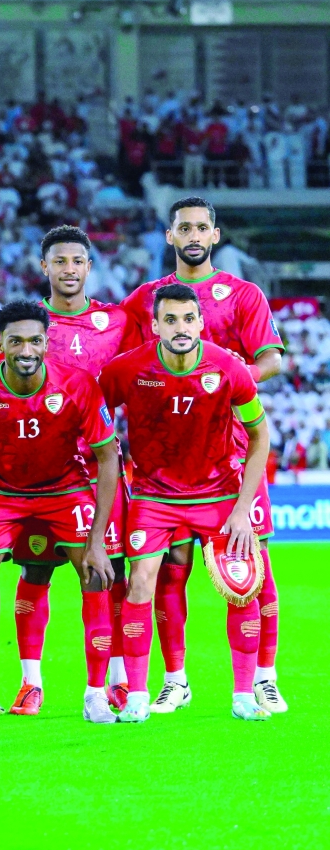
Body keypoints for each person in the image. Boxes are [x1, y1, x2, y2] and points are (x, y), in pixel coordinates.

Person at [121, 197, 287, 714]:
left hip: (233, 454)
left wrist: (224, 384)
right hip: (167, 461)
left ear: (215, 235)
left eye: (202, 227)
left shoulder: (242, 295)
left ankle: (263, 677)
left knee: (251, 569)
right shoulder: (144, 300)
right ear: (169, 236)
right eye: (183, 227)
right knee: (170, 570)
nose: (193, 234)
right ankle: (175, 680)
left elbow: (272, 362)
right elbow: (126, 366)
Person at [100, 284, 271, 722]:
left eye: (188, 318)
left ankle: (243, 694)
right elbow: (94, 420)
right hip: (155, 497)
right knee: (141, 582)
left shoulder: (229, 368)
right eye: (170, 320)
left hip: (218, 493)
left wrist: (241, 509)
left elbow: (259, 437)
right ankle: (141, 693)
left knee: (241, 586)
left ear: (201, 322)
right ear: (154, 325)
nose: (180, 327)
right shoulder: (127, 369)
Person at [0, 300, 120, 726]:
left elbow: (107, 458)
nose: (26, 350)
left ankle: (95, 695)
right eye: (15, 341)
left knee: (96, 574)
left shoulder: (78, 385)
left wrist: (98, 541)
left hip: (65, 488)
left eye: (34, 341)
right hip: (2, 491)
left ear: (47, 343)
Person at [6, 225, 132, 716]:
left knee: (108, 571)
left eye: (77, 261)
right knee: (35, 570)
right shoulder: (29, 326)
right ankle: (30, 683)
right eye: (59, 261)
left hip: (99, 468)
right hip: (39, 470)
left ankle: (116, 679)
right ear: (45, 267)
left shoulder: (117, 321)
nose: (69, 269)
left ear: (89, 266)